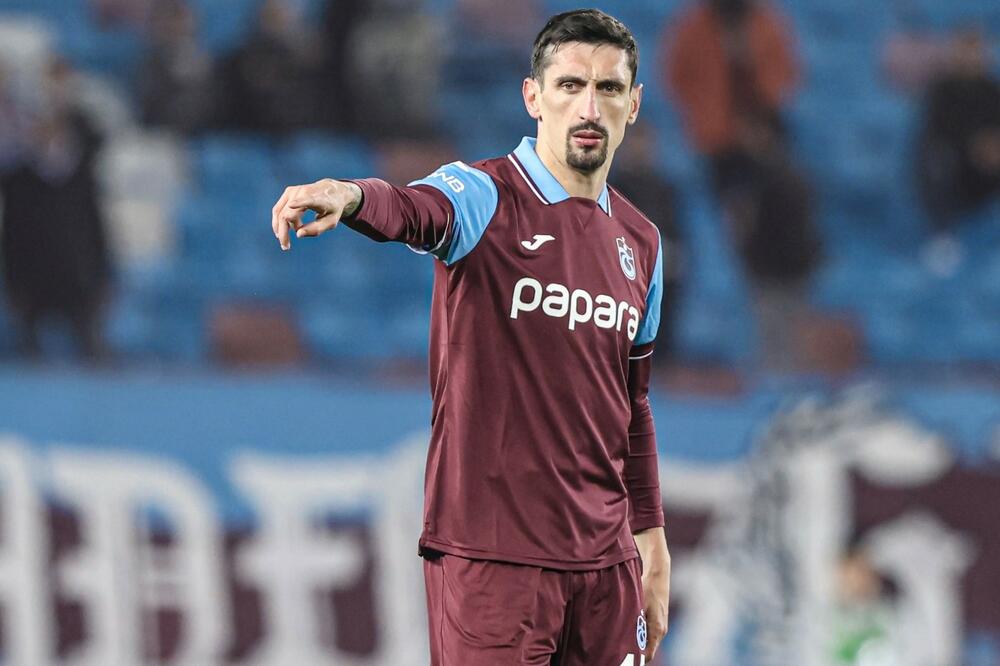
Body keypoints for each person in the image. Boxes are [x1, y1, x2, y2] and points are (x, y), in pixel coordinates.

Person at [270, 10, 671, 664]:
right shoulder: (484, 195)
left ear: (634, 103)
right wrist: (350, 196)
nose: (589, 107)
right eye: (570, 85)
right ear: (533, 97)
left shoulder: (642, 243)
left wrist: (650, 539)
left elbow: (634, 405)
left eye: (608, 88)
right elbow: (414, 210)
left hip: (607, 568)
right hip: (494, 559)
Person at [915, 26, 1000, 273]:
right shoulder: (940, 91)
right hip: (955, 166)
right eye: (964, 49)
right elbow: (937, 131)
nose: (971, 56)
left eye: (976, 50)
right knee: (935, 161)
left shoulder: (993, 90)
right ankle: (943, 236)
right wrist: (973, 146)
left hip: (989, 166)